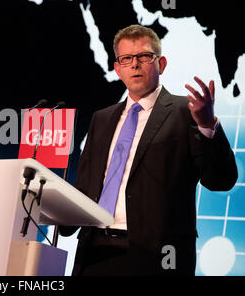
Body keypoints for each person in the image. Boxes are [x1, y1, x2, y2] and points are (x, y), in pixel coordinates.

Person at [59, 24, 238, 276]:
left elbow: (221, 180)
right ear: (117, 69)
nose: (135, 64)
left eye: (144, 56)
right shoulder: (101, 118)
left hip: (156, 255)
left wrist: (207, 125)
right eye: (126, 58)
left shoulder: (185, 112)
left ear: (161, 64)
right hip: (95, 252)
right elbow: (87, 186)